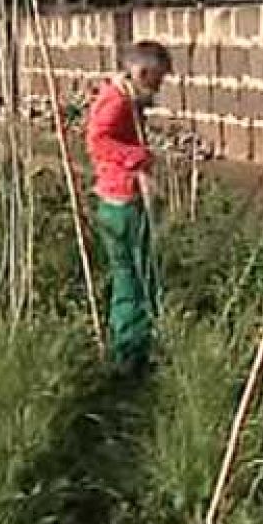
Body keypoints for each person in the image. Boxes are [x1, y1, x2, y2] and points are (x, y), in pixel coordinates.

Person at [85, 41, 170, 373]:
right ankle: (132, 355)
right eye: (157, 79)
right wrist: (139, 157)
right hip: (123, 203)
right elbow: (97, 140)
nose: (159, 87)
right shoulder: (117, 102)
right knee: (137, 278)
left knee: (128, 277)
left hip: (113, 199)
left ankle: (129, 349)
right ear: (142, 72)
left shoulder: (121, 97)